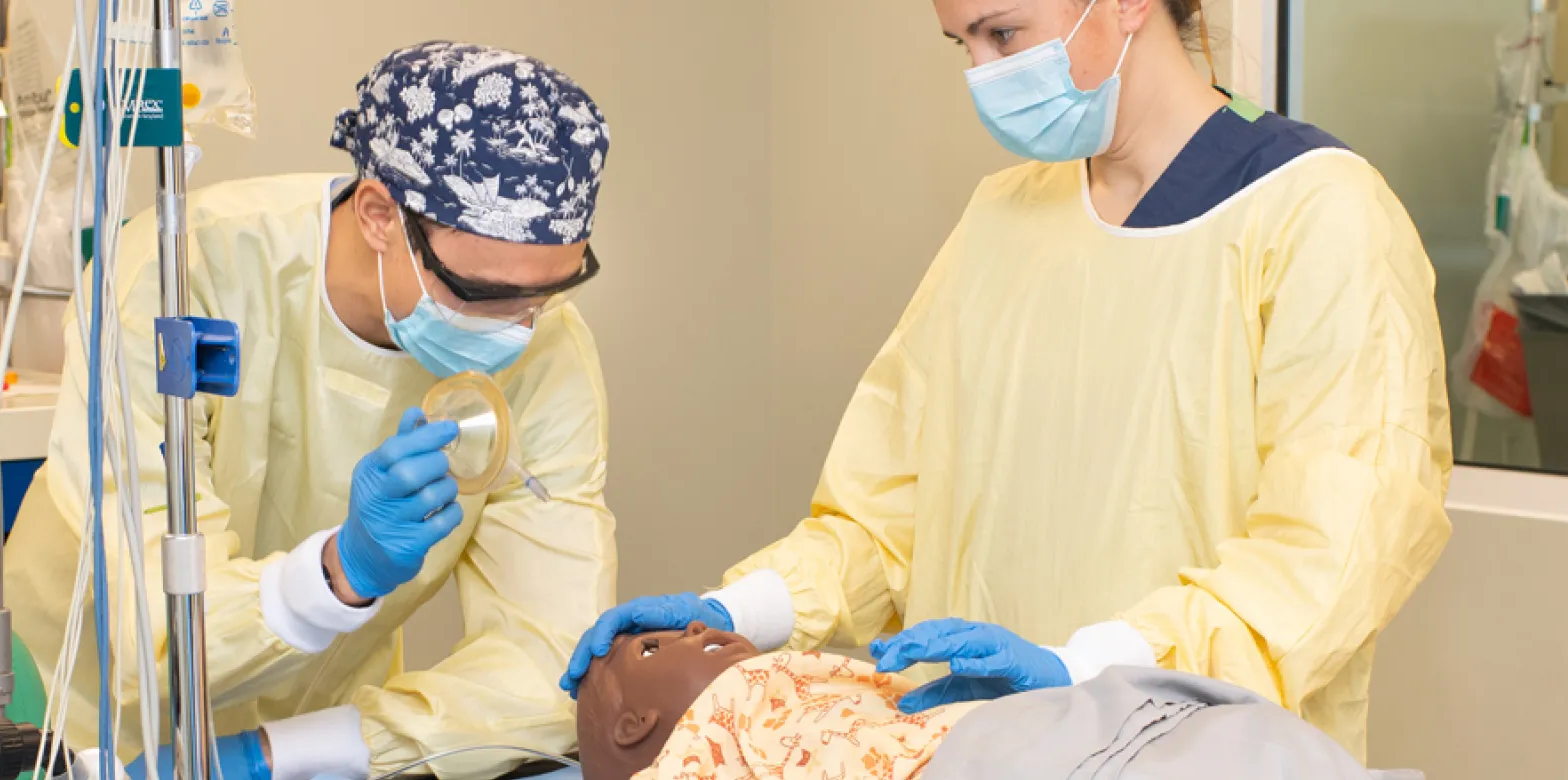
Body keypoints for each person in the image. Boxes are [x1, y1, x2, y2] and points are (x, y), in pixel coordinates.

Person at [562, 0, 1453, 763]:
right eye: (962, 44)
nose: (983, 74)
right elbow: (882, 516)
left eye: (1003, 34)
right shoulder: (1004, 217)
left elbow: (1330, 556)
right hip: (971, 754)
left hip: (1192, 759)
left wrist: (1086, 670)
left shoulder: (1319, 213)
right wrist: (739, 609)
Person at [4, 41, 618, 780]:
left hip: (321, 744)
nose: (520, 328)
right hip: (72, 724)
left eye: (551, 289)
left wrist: (292, 752)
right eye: (483, 293)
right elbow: (153, 632)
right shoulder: (183, 274)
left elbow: (553, 664)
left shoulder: (547, 349)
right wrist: (337, 573)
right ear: (380, 215)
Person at [574, 623, 1374, 779]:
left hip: (1102, 719)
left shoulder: (801, 681)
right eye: (651, 649)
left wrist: (1073, 667)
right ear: (636, 725)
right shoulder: (703, 756)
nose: (692, 627)